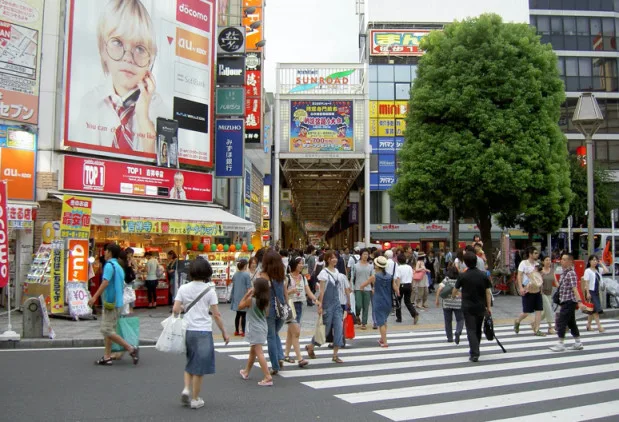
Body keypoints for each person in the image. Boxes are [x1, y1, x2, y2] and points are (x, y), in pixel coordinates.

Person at [73, 0, 167, 154]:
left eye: (140, 48)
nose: (128, 57)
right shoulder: (89, 102)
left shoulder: (158, 107)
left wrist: (143, 116)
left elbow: (160, 165)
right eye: (117, 42)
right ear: (103, 49)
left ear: (150, 60)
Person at [173, 258, 229, 409]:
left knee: (190, 361)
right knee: (200, 368)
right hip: (204, 330)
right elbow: (216, 315)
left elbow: (176, 309)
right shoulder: (209, 291)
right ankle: (195, 398)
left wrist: (185, 306)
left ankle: (186, 389)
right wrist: (224, 332)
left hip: (189, 330)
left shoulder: (183, 289)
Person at [87, 244, 139, 366]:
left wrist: (94, 297)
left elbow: (105, 282)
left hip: (111, 303)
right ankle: (107, 357)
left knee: (105, 329)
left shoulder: (109, 266)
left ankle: (131, 349)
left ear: (110, 253)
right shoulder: (119, 267)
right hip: (118, 302)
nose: (104, 253)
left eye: (106, 251)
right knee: (110, 330)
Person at [305, 251, 345, 363]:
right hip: (327, 304)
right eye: (332, 258)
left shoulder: (337, 271)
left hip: (337, 304)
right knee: (325, 329)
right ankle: (311, 346)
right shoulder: (324, 273)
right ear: (327, 259)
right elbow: (321, 291)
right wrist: (320, 306)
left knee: (339, 328)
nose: (335, 259)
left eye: (335, 258)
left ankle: (335, 355)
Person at [454, 252, 492, 362]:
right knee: (478, 328)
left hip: (467, 306)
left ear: (465, 263)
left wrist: (454, 295)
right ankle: (476, 349)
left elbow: (455, 290)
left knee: (470, 329)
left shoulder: (463, 275)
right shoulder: (483, 275)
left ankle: (474, 353)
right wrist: (488, 307)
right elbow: (488, 292)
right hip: (480, 306)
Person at [283, 257, 318, 367]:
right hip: (290, 305)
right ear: (294, 264)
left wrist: (316, 300)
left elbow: (308, 291)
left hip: (299, 305)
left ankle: (286, 355)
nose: (301, 265)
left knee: (291, 331)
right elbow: (282, 293)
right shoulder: (287, 277)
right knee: (296, 332)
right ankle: (300, 358)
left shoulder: (303, 278)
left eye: (302, 263)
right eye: (299, 263)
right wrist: (290, 291)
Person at [238, 278, 272, 386]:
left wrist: (247, 294)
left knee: (259, 352)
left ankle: (267, 376)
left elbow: (240, 306)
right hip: (263, 327)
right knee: (253, 350)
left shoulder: (251, 300)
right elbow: (266, 314)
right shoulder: (266, 301)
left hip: (254, 328)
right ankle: (246, 371)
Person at [550, 253, 584, 352]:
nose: (562, 261)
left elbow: (575, 288)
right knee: (571, 322)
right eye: (562, 259)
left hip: (569, 302)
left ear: (570, 262)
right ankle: (578, 342)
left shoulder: (571, 273)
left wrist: (580, 302)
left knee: (561, 322)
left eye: (564, 259)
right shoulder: (564, 273)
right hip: (564, 301)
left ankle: (561, 343)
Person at [262, 250, 288, 375]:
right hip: (282, 308)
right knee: (275, 333)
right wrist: (287, 304)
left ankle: (275, 365)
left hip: (270, 309)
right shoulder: (281, 275)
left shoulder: (264, 275)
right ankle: (280, 356)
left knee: (271, 336)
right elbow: (285, 292)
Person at [360, 256, 395, 347]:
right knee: (384, 320)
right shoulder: (390, 277)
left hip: (378, 301)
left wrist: (364, 289)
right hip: (388, 301)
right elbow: (395, 288)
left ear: (377, 266)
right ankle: (382, 338)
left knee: (381, 322)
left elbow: (363, 285)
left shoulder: (374, 277)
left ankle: (385, 342)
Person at [514, 246, 545, 336]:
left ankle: (537, 329)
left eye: (537, 253)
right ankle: (518, 321)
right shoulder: (524, 263)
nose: (537, 255)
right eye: (535, 253)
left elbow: (539, 277)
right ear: (530, 254)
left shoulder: (537, 264)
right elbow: (519, 276)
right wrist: (520, 287)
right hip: (527, 289)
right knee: (526, 312)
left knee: (539, 310)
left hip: (537, 289)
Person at [436, 265, 463, 344]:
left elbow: (439, 289)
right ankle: (458, 331)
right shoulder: (459, 279)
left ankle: (449, 338)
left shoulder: (446, 279)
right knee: (460, 319)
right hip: (458, 303)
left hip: (447, 304)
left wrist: (437, 299)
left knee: (448, 321)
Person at [583, 255, 608, 333]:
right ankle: (599, 327)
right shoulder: (587, 270)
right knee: (596, 310)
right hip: (591, 291)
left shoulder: (597, 270)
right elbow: (586, 282)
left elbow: (606, 271)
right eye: (593, 260)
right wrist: (587, 293)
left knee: (592, 310)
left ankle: (588, 326)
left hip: (597, 292)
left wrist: (601, 263)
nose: (594, 262)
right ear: (589, 261)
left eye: (596, 260)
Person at [394, 253, 419, 325]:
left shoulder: (398, 268)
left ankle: (399, 318)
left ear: (398, 260)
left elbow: (398, 278)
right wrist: (411, 285)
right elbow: (412, 277)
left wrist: (397, 288)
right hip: (408, 285)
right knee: (407, 301)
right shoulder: (409, 267)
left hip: (401, 285)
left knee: (398, 301)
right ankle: (414, 313)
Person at [353, 249, 374, 329]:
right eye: (364, 254)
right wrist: (351, 287)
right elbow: (352, 277)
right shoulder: (355, 266)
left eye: (367, 254)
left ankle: (364, 323)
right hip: (358, 288)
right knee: (358, 305)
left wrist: (373, 287)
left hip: (367, 289)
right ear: (361, 255)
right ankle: (357, 315)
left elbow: (372, 278)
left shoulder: (370, 266)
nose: (365, 256)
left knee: (366, 306)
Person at [230, 260, 252, 336]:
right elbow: (249, 287)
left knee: (238, 315)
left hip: (236, 297)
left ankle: (236, 331)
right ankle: (243, 331)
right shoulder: (246, 275)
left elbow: (233, 285)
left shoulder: (235, 274)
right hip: (244, 297)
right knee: (244, 315)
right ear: (245, 266)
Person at [540, 256, 558, 335]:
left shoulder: (552, 271)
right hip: (541, 293)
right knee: (549, 309)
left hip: (549, 293)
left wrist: (561, 288)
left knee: (545, 312)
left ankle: (534, 323)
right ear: (543, 262)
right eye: (546, 260)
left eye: (549, 260)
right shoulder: (541, 271)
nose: (548, 261)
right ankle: (550, 327)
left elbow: (556, 282)